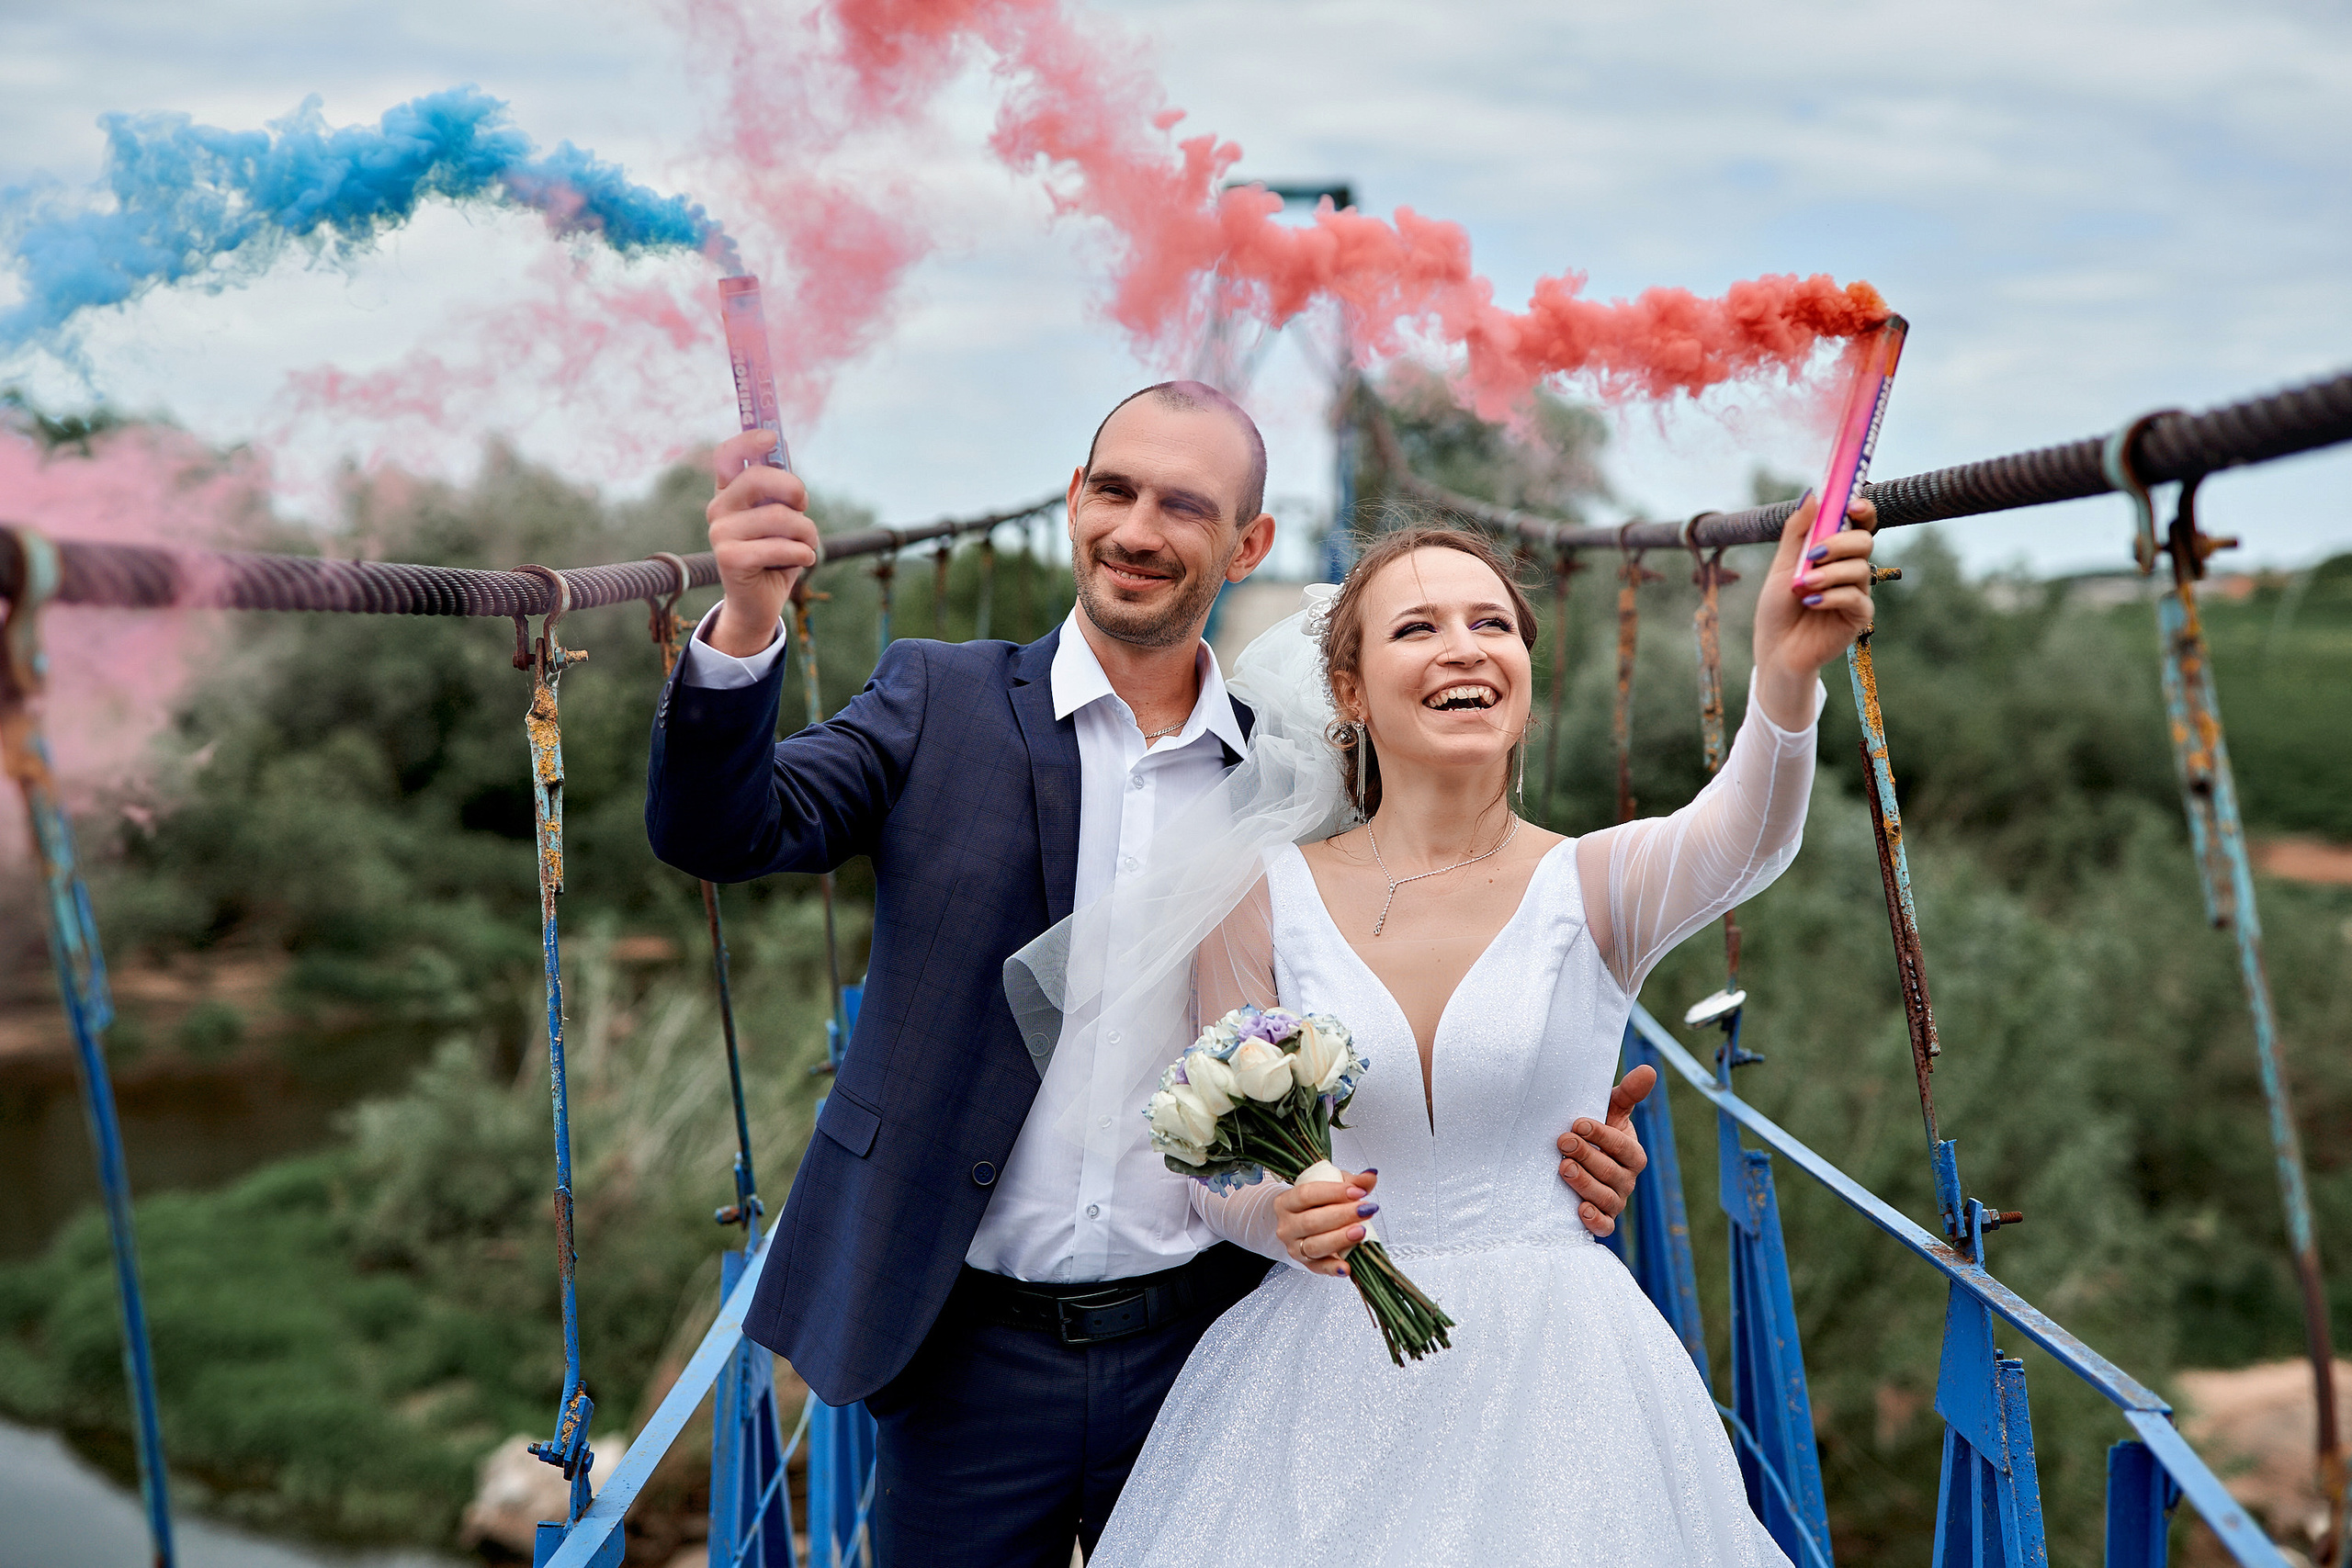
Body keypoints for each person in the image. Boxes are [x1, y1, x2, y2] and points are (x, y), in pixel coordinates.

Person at [643, 380, 1655, 1567]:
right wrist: (750, 621)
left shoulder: (1305, 787)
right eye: (1114, 489)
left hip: (1220, 1327)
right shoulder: (936, 697)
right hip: (960, 1338)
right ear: (1074, 499)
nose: (1136, 528)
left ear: (1251, 544)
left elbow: (1457, 936)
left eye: (1185, 504)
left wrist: (1548, 1142)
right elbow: (724, 835)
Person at [1083, 500, 1878, 1566]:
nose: (1463, 647)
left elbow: (1749, 833)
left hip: (1563, 1379)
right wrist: (1283, 1215)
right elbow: (1213, 1171)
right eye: (1416, 629)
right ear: (1351, 692)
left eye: (1491, 624)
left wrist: (1784, 671)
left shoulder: (1594, 882)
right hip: (1320, 1375)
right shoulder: (1262, 897)